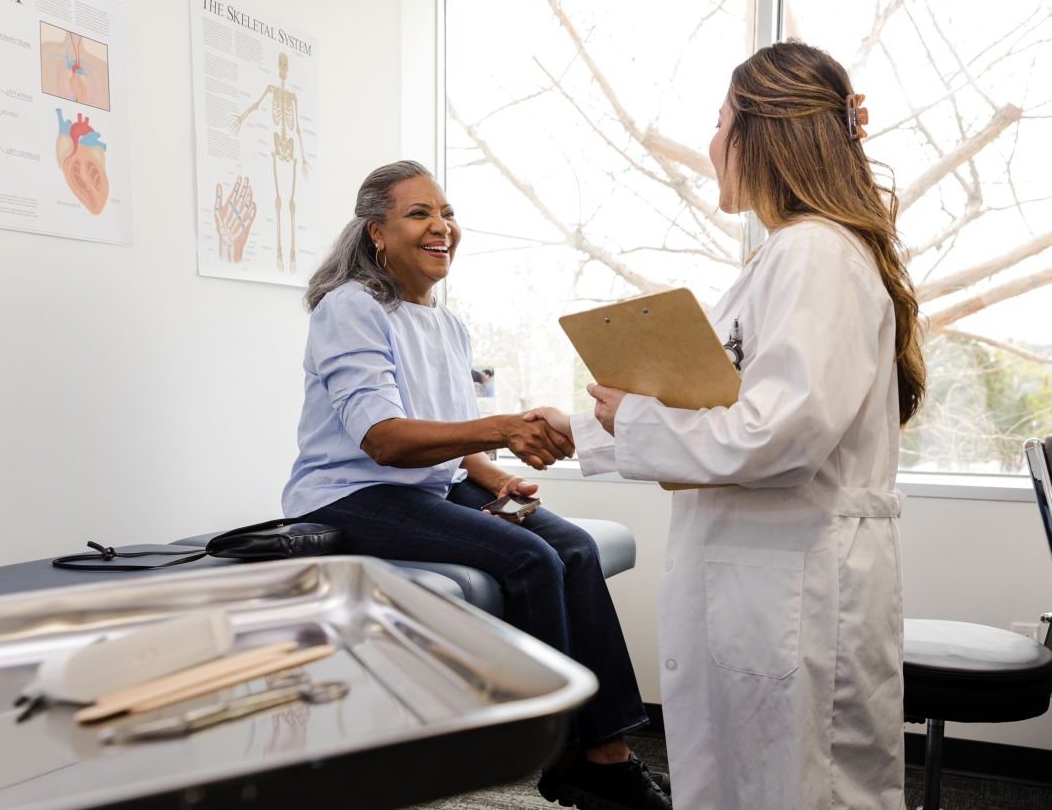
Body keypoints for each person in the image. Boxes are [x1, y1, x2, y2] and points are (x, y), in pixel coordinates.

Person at [530, 41, 923, 809]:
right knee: (755, 779)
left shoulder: (814, 255)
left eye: (718, 122)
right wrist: (582, 429)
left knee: (798, 786)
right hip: (769, 574)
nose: (711, 142)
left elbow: (778, 436)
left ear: (759, 134)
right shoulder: (790, 256)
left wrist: (633, 415)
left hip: (796, 582)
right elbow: (728, 406)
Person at [284, 160, 670, 810]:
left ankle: (607, 752)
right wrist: (500, 429)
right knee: (528, 559)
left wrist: (493, 474)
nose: (442, 227)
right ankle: (557, 750)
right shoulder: (348, 309)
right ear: (377, 231)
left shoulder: (447, 324)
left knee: (573, 547)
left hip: (426, 488)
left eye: (448, 214)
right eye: (419, 214)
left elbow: (449, 435)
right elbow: (382, 439)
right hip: (351, 494)